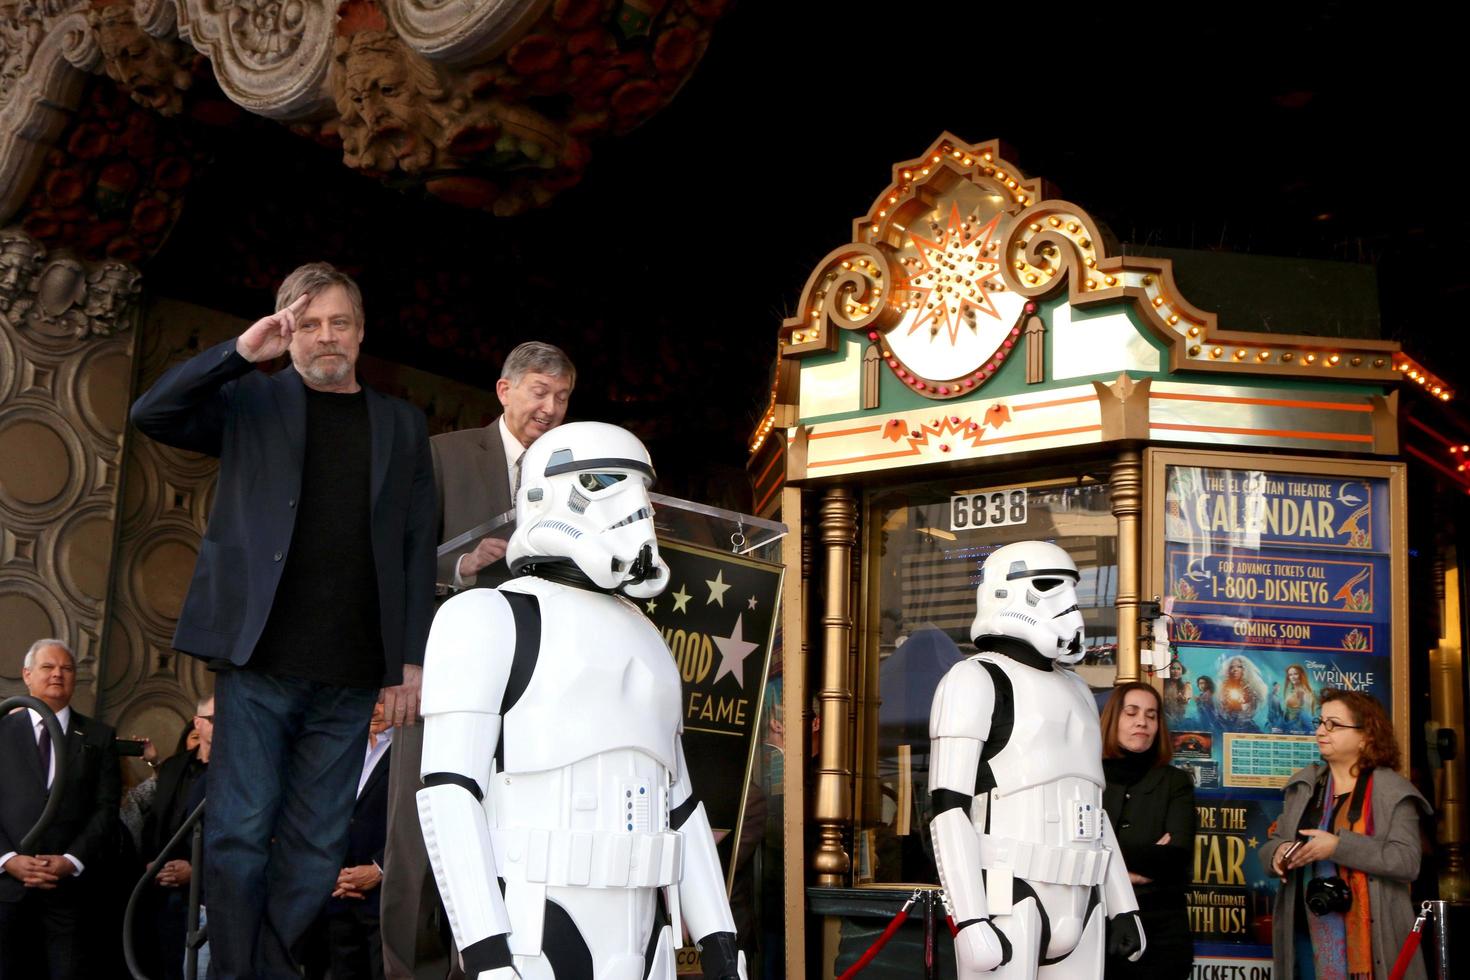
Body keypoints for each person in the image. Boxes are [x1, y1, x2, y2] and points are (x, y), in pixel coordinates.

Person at [129, 261, 436, 980]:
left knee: (314, 849)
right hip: (259, 660)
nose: (325, 337)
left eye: (339, 323)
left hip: (352, 672)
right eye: (309, 323)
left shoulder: (401, 424)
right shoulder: (251, 401)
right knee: (239, 833)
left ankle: (268, 969)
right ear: (286, 331)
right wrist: (240, 352)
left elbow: (417, 546)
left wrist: (411, 661)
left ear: (360, 335)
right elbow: (152, 414)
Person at [416, 421, 745, 978]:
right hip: (535, 922)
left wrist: (720, 941)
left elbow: (681, 803)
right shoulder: (487, 616)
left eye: (642, 486)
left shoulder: (648, 636)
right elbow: (450, 792)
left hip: (647, 933)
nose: (634, 504)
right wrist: (486, 953)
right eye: (604, 481)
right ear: (542, 492)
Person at [380, 340, 574, 980]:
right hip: (441, 680)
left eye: (563, 396)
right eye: (539, 392)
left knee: (512, 843)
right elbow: (396, 560)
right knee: (423, 840)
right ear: (504, 390)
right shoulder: (443, 454)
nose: (550, 408)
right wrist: (462, 566)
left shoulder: (573, 473)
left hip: (538, 688)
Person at [928, 541, 1145, 979]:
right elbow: (948, 808)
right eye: (1047, 586)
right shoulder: (975, 678)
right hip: (1008, 896)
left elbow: (1093, 810)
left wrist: (1124, 905)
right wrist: (969, 917)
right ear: (1003, 592)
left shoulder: (1079, 690)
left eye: (1070, 588)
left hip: (1082, 900)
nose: (1066, 603)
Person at [1260, 689, 1430, 980]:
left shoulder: (1393, 792)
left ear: (1366, 736)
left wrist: (1338, 847)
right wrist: (1277, 854)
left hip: (1374, 942)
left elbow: (1407, 862)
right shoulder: (1306, 786)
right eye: (1320, 721)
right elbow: (1273, 844)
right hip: (1304, 935)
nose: (1320, 731)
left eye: (1333, 724)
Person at [0, 639, 121, 980]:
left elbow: (106, 808)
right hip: (6, 888)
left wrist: (71, 860)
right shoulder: (3, 729)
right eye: (48, 667)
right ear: (27, 675)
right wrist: (8, 859)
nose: (57, 674)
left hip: (68, 892)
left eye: (66, 669)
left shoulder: (98, 736)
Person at [1100, 683, 1196, 980]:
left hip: (1162, 935)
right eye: (1132, 713)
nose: (1142, 721)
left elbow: (1175, 860)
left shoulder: (1176, 782)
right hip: (1096, 931)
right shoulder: (1089, 778)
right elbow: (1074, 853)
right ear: (1113, 718)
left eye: (1151, 715)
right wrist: (1129, 869)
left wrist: (1107, 864)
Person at [312, 702, 393, 980]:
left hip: (388, 899)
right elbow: (318, 812)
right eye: (368, 698)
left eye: (382, 700)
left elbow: (418, 819)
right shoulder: (342, 747)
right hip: (338, 896)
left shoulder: (414, 749)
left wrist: (380, 869)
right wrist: (328, 871)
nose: (373, 709)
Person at [140, 696, 213, 980]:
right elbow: (155, 819)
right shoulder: (173, 767)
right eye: (215, 720)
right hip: (162, 886)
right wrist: (151, 862)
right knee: (163, 963)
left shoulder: (237, 770)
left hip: (206, 891)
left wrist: (196, 871)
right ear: (198, 723)